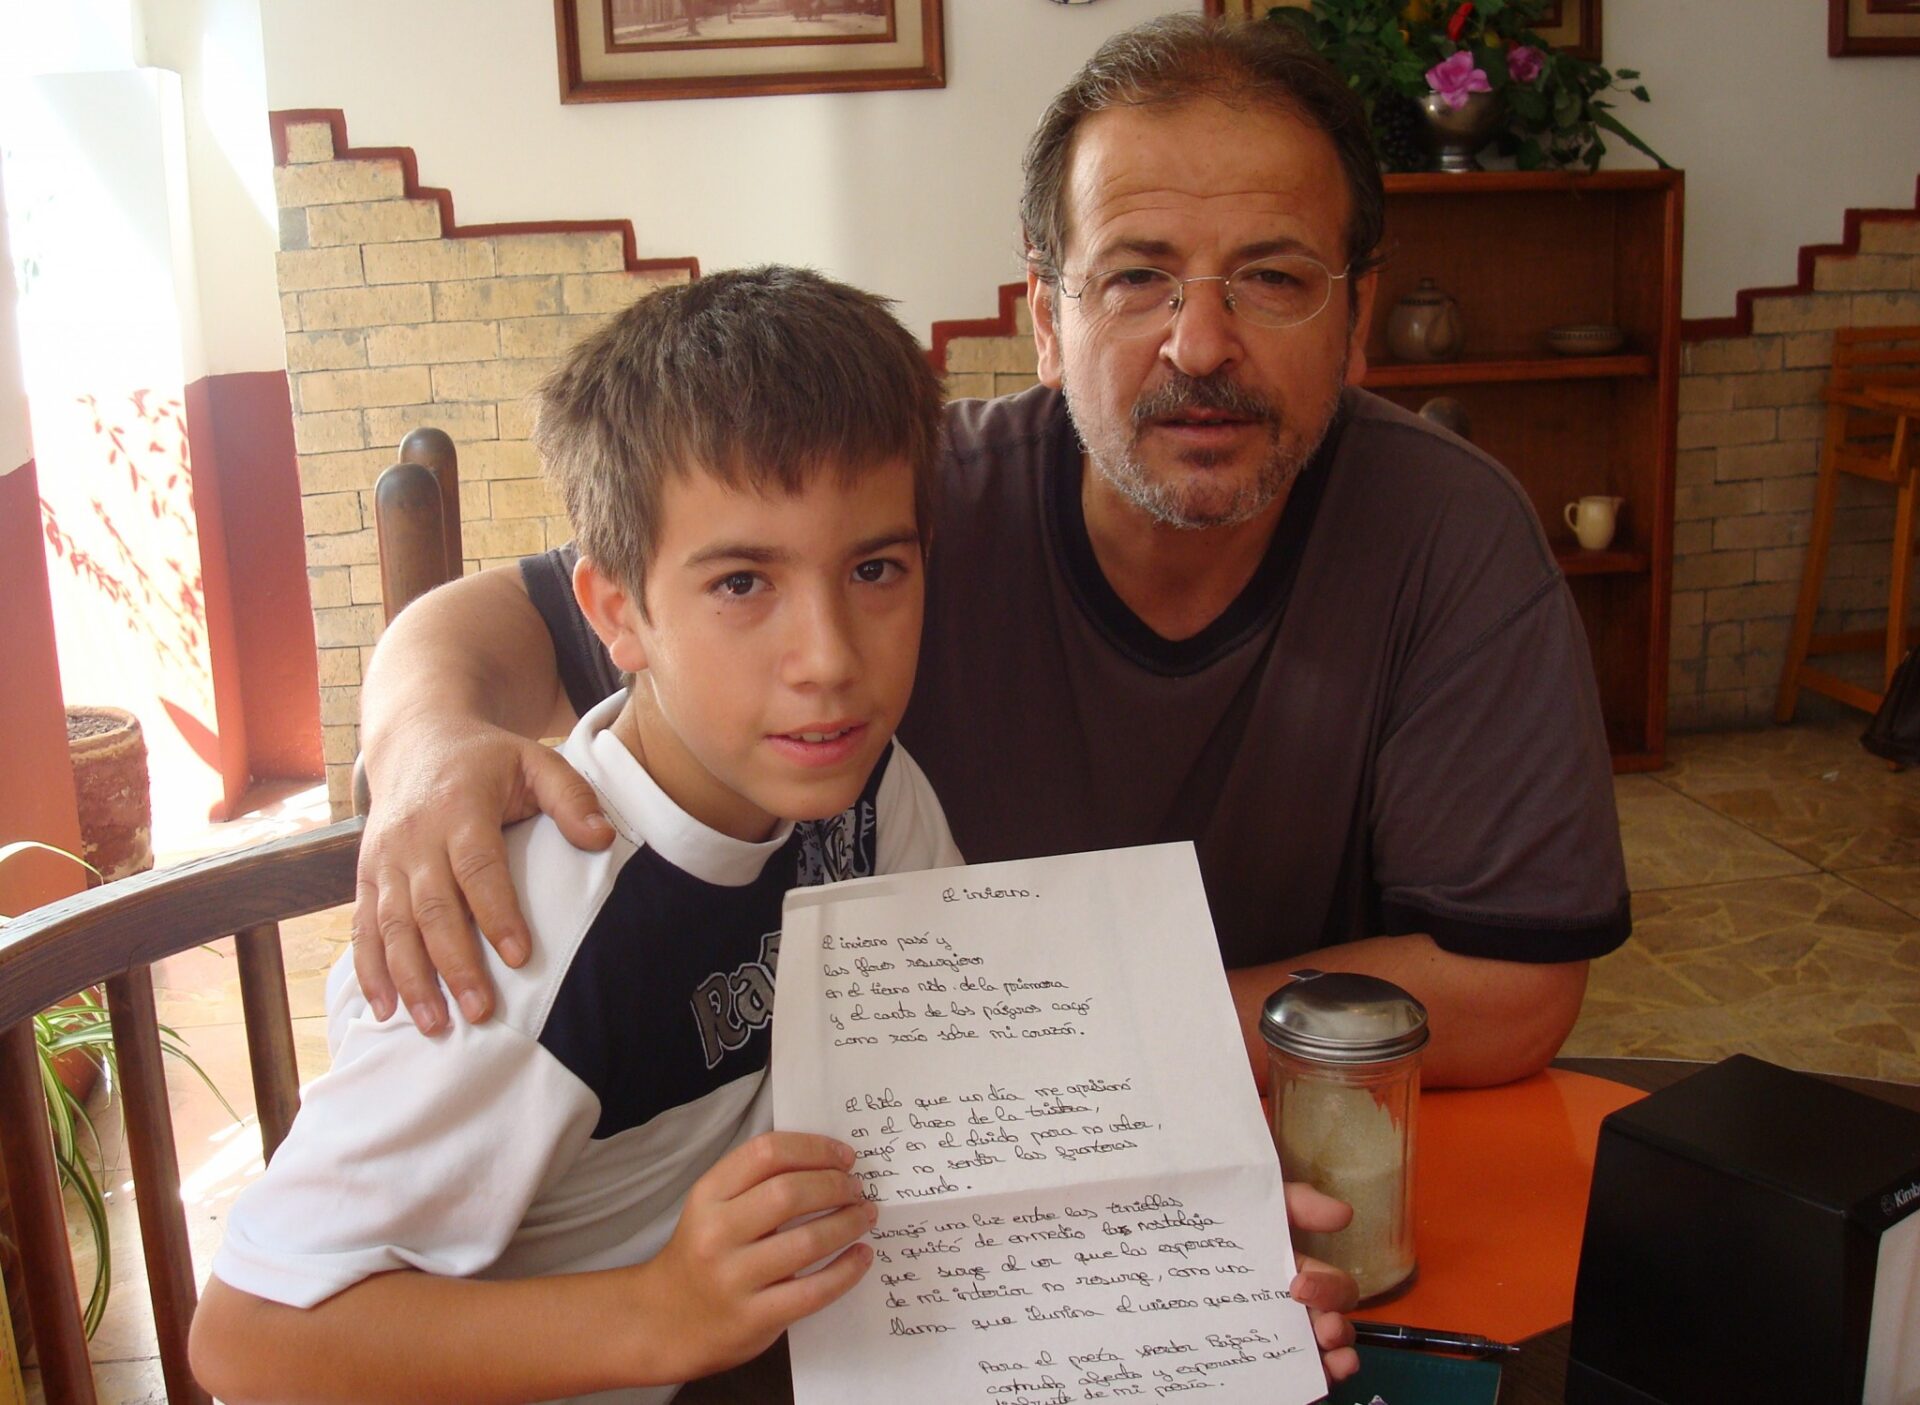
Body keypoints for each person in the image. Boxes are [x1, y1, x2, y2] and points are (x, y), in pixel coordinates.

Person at [348, 17, 1628, 1100]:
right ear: (1048, 324)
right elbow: (490, 622)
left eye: (1275, 278)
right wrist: (419, 745)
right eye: (1135, 279)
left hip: (1240, 1144)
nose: (1199, 345)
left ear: (1355, 322)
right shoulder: (897, 520)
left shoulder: (1447, 533)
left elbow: (1511, 990)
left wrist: (1043, 1036)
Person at [190, 268, 973, 1403]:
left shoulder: (872, 793)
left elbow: (960, 1075)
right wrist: (664, 1312)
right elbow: (250, 1337)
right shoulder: (524, 939)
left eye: (875, 569)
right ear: (614, 611)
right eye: (743, 580)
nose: (831, 656)